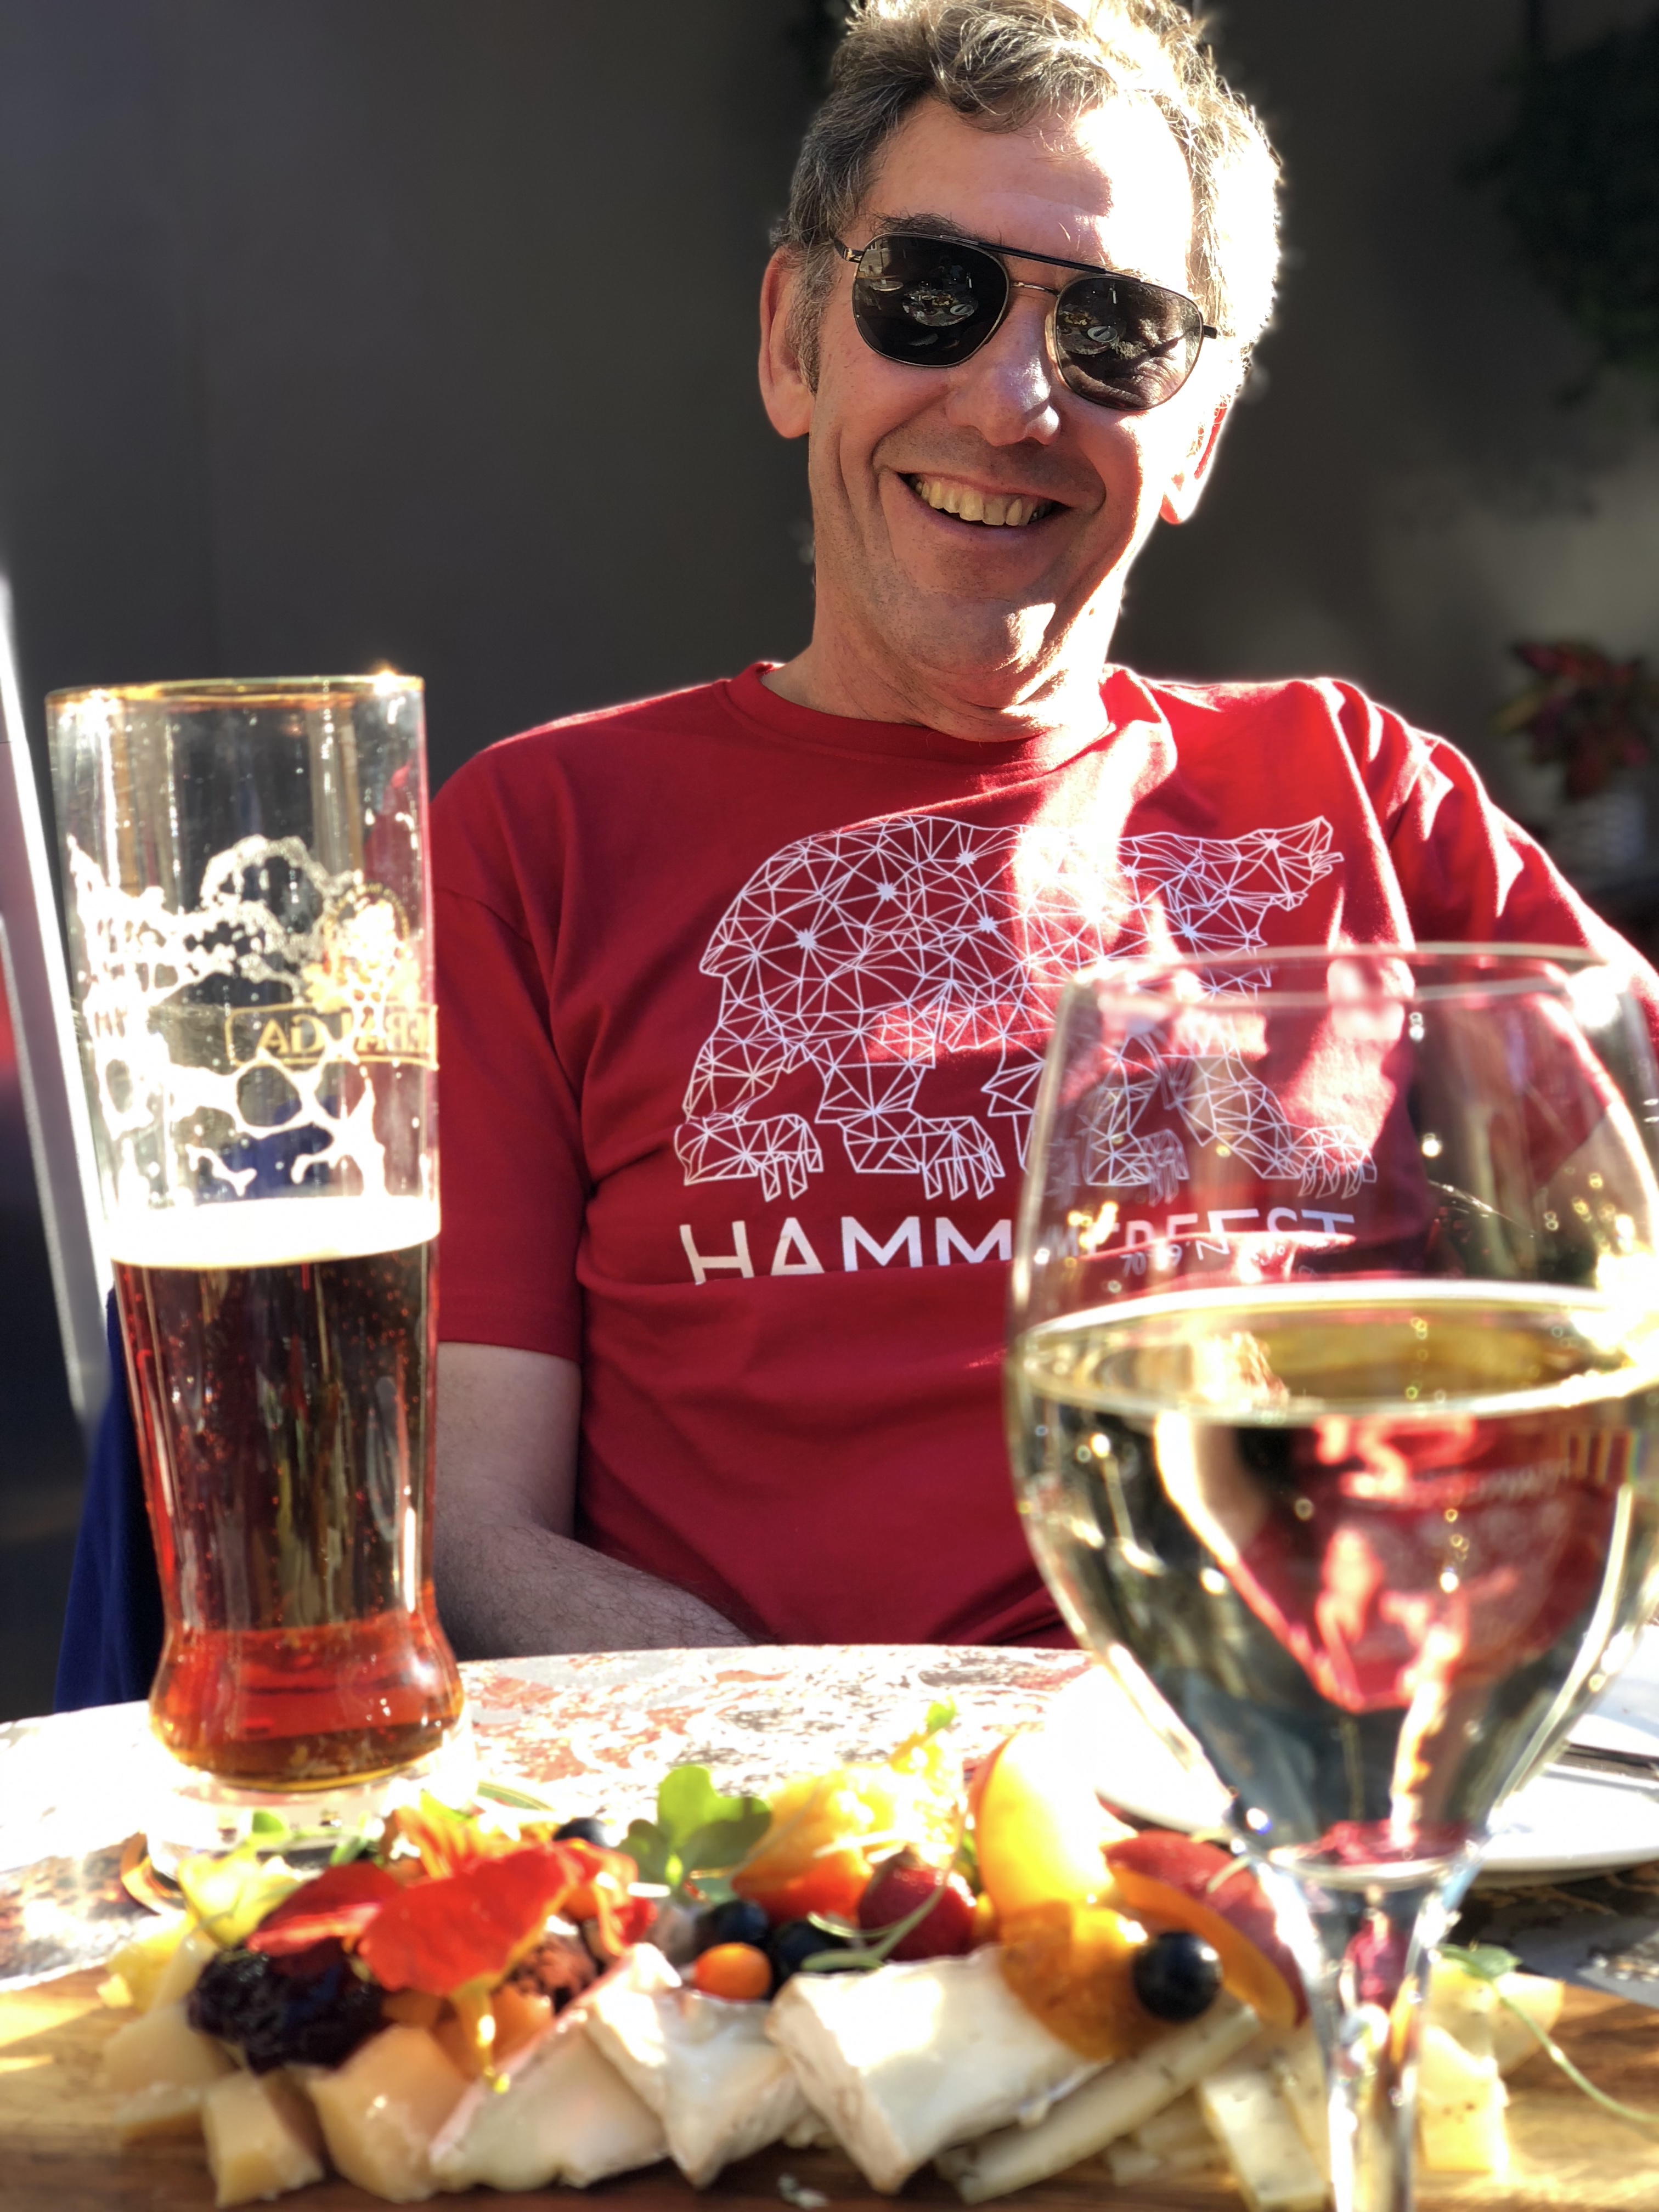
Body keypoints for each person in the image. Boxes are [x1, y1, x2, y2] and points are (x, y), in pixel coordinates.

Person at [430, 0, 1642, 1662]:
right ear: (793, 343)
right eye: (930, 292)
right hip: (820, 1801)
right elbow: (474, 1534)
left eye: (1117, 334)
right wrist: (845, 1773)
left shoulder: (1356, 791)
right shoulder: (541, 839)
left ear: (1197, 432)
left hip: (1338, 1753)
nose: (1012, 403)